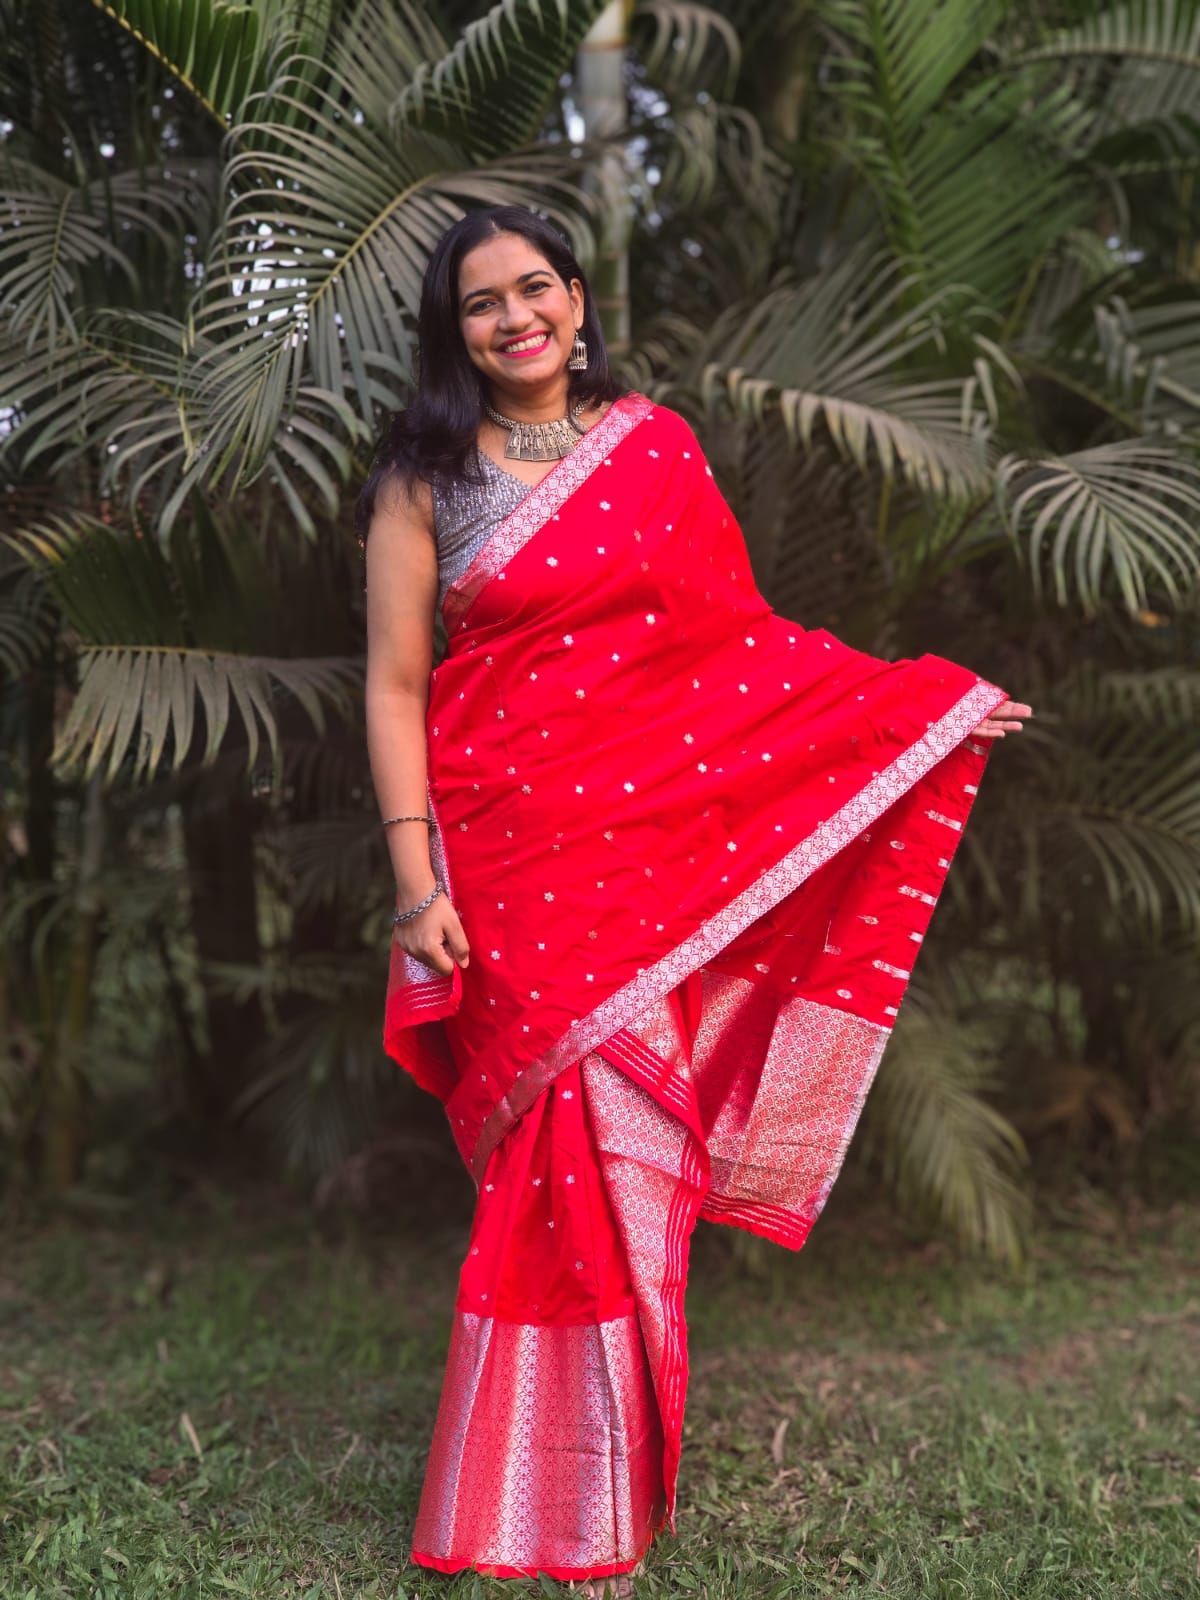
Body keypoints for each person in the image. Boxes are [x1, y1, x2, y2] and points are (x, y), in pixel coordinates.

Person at [358, 205, 1031, 1596]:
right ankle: (533, 1489)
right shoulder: (422, 476)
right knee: (554, 1151)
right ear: (454, 332)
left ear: (576, 296)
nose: (512, 318)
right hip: (506, 852)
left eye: (532, 287)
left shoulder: (651, 450)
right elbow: (393, 683)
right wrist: (414, 873)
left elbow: (739, 650)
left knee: (623, 1147)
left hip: (641, 855)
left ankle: (605, 1481)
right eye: (480, 303)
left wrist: (919, 709)